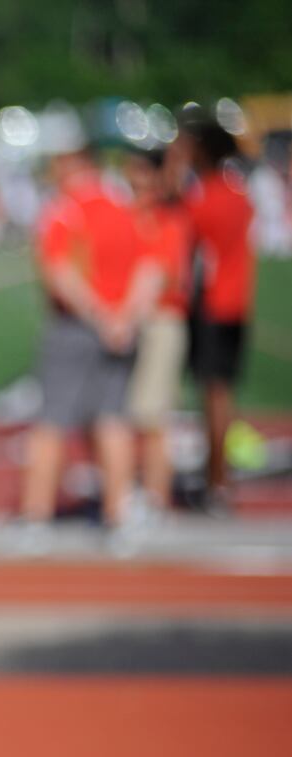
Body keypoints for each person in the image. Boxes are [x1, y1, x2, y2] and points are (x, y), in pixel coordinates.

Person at [17, 145, 162, 553]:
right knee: (112, 420)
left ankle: (35, 517)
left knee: (52, 423)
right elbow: (151, 268)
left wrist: (100, 316)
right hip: (119, 327)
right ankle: (118, 517)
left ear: (74, 164)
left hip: (77, 326)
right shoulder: (126, 207)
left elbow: (59, 270)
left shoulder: (67, 209)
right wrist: (126, 318)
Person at [171, 119, 256, 514]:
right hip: (235, 302)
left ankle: (218, 481)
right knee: (220, 393)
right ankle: (216, 476)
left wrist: (177, 160)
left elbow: (174, 215)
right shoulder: (238, 193)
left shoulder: (206, 195)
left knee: (214, 395)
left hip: (212, 304)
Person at [124, 149, 193, 518]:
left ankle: (154, 495)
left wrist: (132, 309)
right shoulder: (131, 214)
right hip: (130, 320)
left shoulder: (168, 218)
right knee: (125, 411)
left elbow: (169, 273)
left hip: (160, 320)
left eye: (140, 171)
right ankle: (137, 486)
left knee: (153, 414)